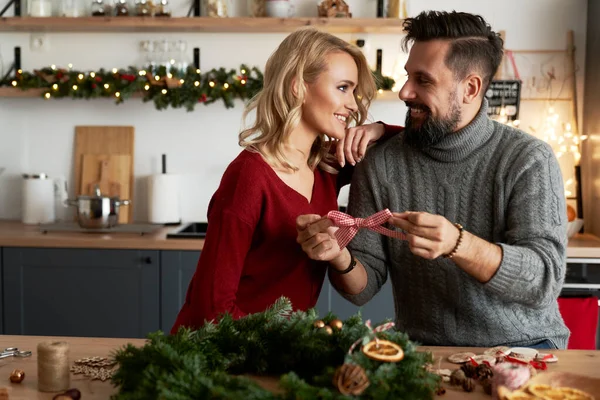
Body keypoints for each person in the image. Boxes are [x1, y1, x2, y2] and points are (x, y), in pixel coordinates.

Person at [296, 10, 570, 349]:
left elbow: (543, 280)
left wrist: (459, 244)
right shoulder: (381, 161)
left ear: (470, 88)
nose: (405, 92)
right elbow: (362, 287)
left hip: (526, 346)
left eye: (423, 81)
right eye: (408, 76)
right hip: (422, 352)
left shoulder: (528, 160)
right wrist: (339, 256)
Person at [171, 28, 389, 332]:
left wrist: (377, 129)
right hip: (225, 356)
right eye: (343, 88)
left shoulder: (327, 165)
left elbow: (409, 143)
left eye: (354, 91)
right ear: (298, 87)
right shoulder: (248, 176)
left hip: (279, 354)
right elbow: (211, 309)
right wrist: (278, 354)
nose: (354, 104)